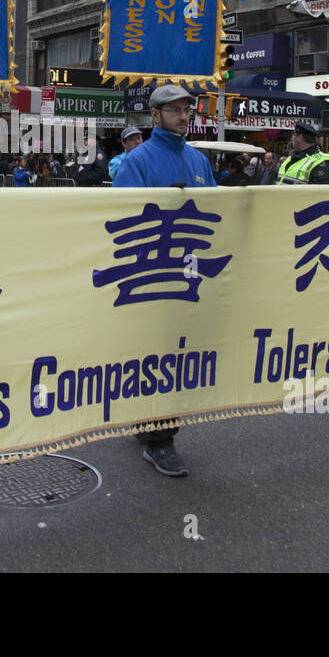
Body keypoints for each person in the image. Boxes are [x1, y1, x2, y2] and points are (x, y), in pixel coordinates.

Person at [113, 84, 216, 476]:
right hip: (150, 275)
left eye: (187, 110)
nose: (184, 116)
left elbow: (214, 209)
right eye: (174, 111)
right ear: (154, 116)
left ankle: (149, 425)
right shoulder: (136, 161)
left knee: (176, 353)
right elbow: (124, 218)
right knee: (156, 354)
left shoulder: (198, 159)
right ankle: (161, 441)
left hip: (189, 273)